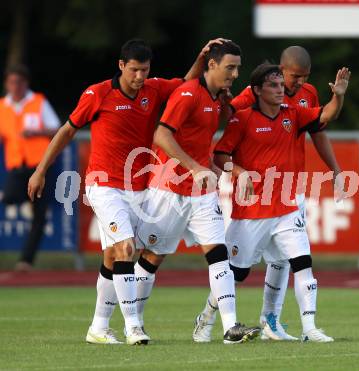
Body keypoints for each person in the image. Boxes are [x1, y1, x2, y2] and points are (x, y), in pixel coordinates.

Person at [28, 38, 222, 345]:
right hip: (103, 186)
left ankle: (98, 328)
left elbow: (186, 84)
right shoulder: (97, 94)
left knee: (112, 256)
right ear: (121, 66)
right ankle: (134, 328)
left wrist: (201, 57)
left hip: (140, 190)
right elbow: (67, 130)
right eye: (134, 70)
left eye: (144, 70)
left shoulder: (155, 89)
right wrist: (40, 170)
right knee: (128, 248)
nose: (139, 77)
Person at [194, 46, 343, 342]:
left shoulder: (297, 108)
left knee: (298, 261)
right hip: (252, 209)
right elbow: (222, 147)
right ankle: (207, 317)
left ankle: (298, 326)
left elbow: (322, 122)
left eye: (303, 78)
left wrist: (338, 95)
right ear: (259, 89)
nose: (289, 87)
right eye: (286, 80)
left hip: (288, 201)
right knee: (237, 274)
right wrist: (240, 172)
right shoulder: (245, 113)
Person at [135, 40, 261, 344]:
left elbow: (204, 136)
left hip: (201, 193)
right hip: (169, 190)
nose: (235, 73)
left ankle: (230, 327)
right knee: (152, 256)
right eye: (230, 67)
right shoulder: (188, 93)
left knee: (219, 254)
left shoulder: (215, 98)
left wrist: (209, 169)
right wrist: (194, 166)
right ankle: (133, 322)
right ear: (212, 65)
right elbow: (161, 135)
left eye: (237, 68)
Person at [0, 65, 60, 272]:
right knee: (8, 197)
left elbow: (57, 128)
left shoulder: (38, 102)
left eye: (19, 82)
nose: (15, 86)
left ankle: (26, 261)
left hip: (40, 167)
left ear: (26, 83)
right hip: (17, 167)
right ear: (7, 84)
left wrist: (37, 132)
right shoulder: (2, 106)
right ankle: (27, 197)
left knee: (39, 216)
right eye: (11, 82)